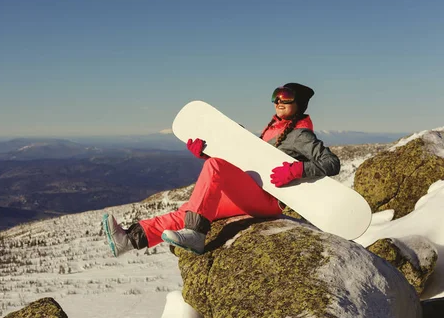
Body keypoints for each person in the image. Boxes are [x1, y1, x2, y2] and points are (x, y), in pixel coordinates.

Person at [102, 83, 340, 256]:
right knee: (192, 208)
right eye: (276, 97)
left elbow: (332, 163)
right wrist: (207, 151)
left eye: (286, 97)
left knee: (214, 167)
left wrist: (298, 170)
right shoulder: (272, 130)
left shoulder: (301, 135)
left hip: (269, 200)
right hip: (250, 192)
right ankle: (130, 240)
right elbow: (249, 160)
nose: (278, 101)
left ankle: (196, 234)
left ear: (298, 104)